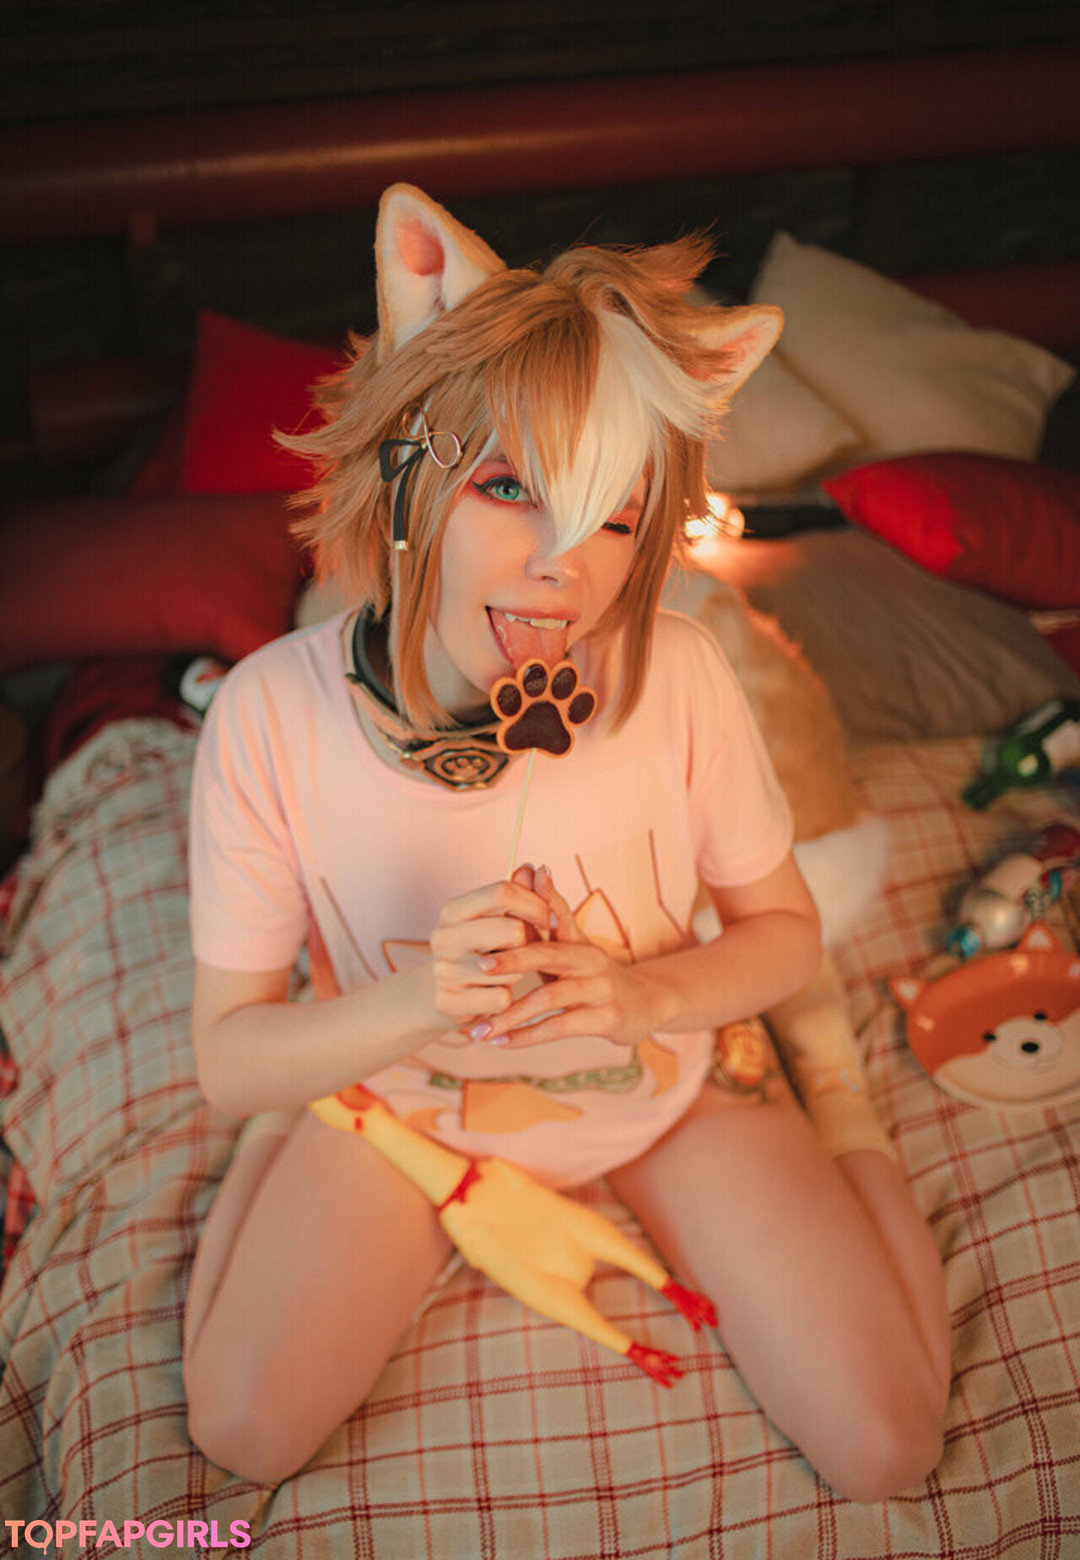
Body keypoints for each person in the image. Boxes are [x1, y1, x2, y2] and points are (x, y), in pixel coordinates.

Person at [182, 184, 949, 1497]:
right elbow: (228, 1060)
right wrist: (416, 1004)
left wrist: (652, 996)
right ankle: (306, 1133)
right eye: (506, 488)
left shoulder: (680, 673)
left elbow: (782, 936)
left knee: (889, 1448)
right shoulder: (267, 717)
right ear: (412, 477)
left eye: (614, 515)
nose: (565, 566)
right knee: (240, 1431)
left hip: (670, 1088)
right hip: (407, 1109)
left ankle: (834, 1091)